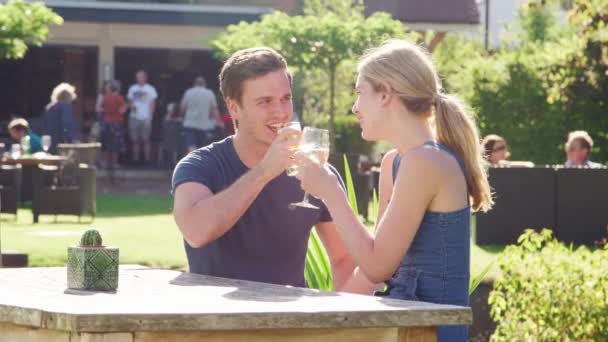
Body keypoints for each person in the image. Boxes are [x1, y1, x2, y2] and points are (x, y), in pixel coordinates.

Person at [294, 40, 493, 342]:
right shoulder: (395, 162)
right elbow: (380, 264)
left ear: (385, 94)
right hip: (403, 325)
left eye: (360, 92)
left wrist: (331, 192)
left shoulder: (426, 162)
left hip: (431, 332)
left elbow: (376, 267)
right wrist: (326, 318)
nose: (355, 107)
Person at [171, 47, 354, 288]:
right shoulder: (200, 166)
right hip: (216, 320)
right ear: (234, 107)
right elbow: (196, 232)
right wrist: (265, 171)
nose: (280, 112)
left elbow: (344, 259)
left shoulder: (315, 172)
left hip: (290, 321)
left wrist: (337, 320)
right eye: (265, 102)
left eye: (285, 99)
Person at [180, 76, 224, 153]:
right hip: (204, 126)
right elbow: (214, 110)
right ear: (204, 84)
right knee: (203, 148)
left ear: (195, 84)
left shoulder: (188, 92)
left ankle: (191, 162)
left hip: (189, 124)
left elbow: (183, 109)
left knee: (191, 146)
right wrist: (219, 122)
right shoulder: (209, 93)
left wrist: (182, 117)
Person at [127, 70, 157, 165]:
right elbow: (130, 101)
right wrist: (132, 106)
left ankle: (147, 160)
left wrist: (150, 116)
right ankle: (136, 160)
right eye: (137, 77)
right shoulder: (132, 88)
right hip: (134, 117)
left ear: (145, 77)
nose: (139, 78)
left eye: (140, 77)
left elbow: (152, 103)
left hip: (146, 117)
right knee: (135, 140)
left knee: (146, 140)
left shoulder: (150, 89)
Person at [98, 80, 127, 175]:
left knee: (106, 143)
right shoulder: (119, 98)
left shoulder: (105, 98)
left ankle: (105, 163)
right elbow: (122, 110)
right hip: (116, 124)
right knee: (116, 144)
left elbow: (100, 109)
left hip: (106, 123)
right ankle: (114, 163)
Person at [43, 82, 79, 154]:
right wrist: (73, 139)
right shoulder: (65, 106)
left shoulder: (50, 107)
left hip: (50, 142)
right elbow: (67, 124)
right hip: (61, 144)